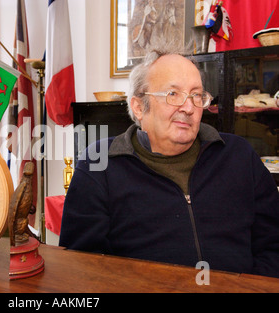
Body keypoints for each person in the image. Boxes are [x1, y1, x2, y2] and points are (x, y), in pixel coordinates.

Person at [59, 45, 279, 278]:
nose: (188, 108)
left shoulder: (238, 154)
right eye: (172, 94)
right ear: (139, 107)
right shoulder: (99, 164)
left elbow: (273, 244)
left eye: (197, 95)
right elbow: (81, 264)